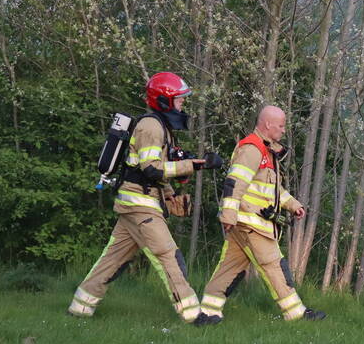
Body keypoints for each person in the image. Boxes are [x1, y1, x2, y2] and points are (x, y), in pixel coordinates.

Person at [68, 72, 216, 322]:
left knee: (112, 260)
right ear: (163, 101)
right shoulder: (150, 127)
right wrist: (193, 165)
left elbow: (154, 173)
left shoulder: (162, 127)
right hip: (139, 206)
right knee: (168, 256)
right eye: (179, 100)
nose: (182, 105)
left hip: (135, 203)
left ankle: (80, 307)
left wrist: (169, 195)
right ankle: (193, 315)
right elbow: (151, 168)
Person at [194, 106, 326, 325]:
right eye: (281, 125)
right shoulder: (252, 149)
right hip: (250, 223)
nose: (284, 130)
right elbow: (234, 183)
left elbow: (273, 190)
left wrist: (293, 205)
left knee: (229, 267)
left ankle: (208, 311)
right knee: (274, 265)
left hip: (246, 223)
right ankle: (296, 314)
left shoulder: (267, 152)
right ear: (268, 125)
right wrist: (228, 215)